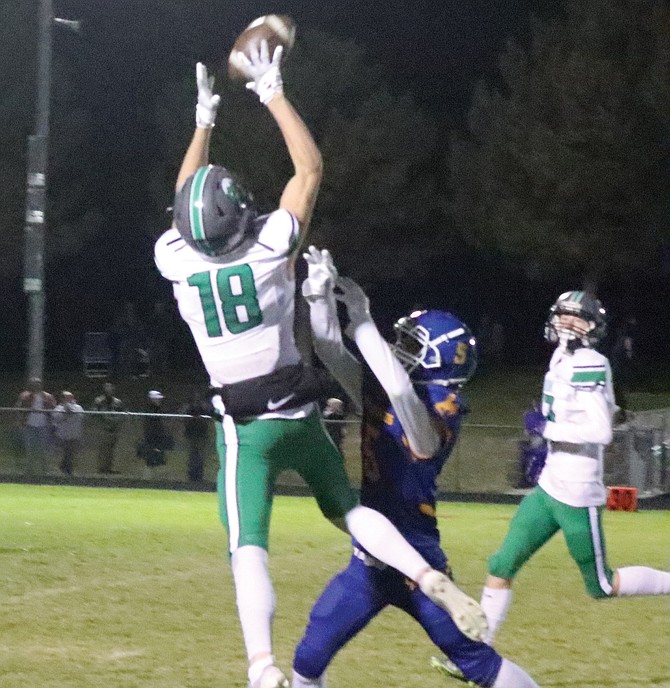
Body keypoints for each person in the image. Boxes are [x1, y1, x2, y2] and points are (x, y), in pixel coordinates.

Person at [154, 48, 485, 688]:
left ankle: (262, 667)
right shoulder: (270, 247)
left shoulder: (175, 259)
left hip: (243, 427)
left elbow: (180, 202)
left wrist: (203, 121)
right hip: (300, 411)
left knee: (248, 548)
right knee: (348, 512)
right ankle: (424, 574)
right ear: (241, 211)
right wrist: (272, 91)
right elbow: (309, 167)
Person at [291, 248, 539, 688]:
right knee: (308, 658)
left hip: (417, 558)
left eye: (412, 345)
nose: (400, 350)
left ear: (438, 362)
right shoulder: (386, 388)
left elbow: (406, 401)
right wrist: (317, 296)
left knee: (478, 664)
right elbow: (330, 350)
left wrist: (364, 322)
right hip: (369, 561)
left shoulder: (442, 409)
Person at [480, 291, 670, 646]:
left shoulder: (589, 362)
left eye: (576, 318)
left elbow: (601, 432)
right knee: (500, 564)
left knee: (600, 584)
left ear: (592, 327)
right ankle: (476, 654)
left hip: (578, 493)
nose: (567, 324)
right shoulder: (561, 357)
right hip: (550, 484)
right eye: (563, 316)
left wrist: (549, 429)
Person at [15, 377, 56, 476]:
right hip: (29, 426)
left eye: (38, 384)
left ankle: (45, 470)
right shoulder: (25, 396)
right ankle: (29, 470)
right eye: (34, 384)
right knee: (30, 449)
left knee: (43, 449)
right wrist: (20, 422)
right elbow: (18, 408)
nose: (36, 386)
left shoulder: (47, 396)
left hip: (43, 426)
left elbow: (54, 408)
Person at [138, 390, 173, 479]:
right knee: (151, 459)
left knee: (158, 459)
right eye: (156, 399)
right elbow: (150, 426)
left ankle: (155, 479)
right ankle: (148, 480)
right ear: (152, 399)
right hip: (152, 438)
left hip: (158, 438)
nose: (159, 401)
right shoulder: (150, 410)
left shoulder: (158, 410)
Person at [93, 382, 124, 474]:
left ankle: (109, 468)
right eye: (107, 389)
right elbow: (95, 414)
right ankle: (101, 469)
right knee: (103, 450)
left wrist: (115, 423)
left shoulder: (117, 402)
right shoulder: (99, 401)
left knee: (111, 450)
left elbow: (121, 415)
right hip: (103, 429)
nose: (109, 391)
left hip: (114, 429)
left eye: (110, 389)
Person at [181, 388, 212, 482]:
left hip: (201, 433)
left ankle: (199, 476)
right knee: (192, 455)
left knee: (200, 455)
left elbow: (209, 413)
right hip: (191, 433)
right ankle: (192, 476)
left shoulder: (202, 406)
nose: (196, 398)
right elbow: (182, 414)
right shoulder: (188, 406)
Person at [51, 391, 85, 476]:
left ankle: (66, 469)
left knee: (71, 454)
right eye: (67, 397)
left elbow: (80, 416)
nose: (70, 399)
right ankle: (66, 470)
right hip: (63, 436)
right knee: (66, 453)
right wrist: (66, 413)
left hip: (74, 435)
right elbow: (56, 418)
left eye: (71, 397)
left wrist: (70, 411)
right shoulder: (58, 408)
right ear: (62, 399)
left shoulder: (78, 407)